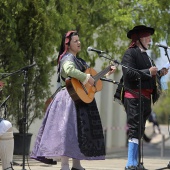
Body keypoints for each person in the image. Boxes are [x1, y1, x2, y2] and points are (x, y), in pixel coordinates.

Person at [30, 30, 116, 170]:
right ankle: (64, 165)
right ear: (68, 44)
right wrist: (84, 77)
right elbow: (69, 70)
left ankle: (76, 164)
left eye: (79, 40)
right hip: (68, 98)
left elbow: (92, 78)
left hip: (81, 99)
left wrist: (107, 71)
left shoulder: (81, 61)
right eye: (75, 41)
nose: (79, 43)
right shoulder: (66, 58)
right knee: (66, 131)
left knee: (79, 132)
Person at [121, 25, 168, 170]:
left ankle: (136, 163)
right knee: (135, 129)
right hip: (134, 97)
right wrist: (149, 71)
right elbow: (129, 74)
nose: (150, 39)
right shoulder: (130, 54)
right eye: (147, 37)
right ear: (139, 39)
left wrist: (159, 73)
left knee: (140, 130)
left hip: (145, 99)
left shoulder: (146, 56)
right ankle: (130, 163)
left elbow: (149, 76)